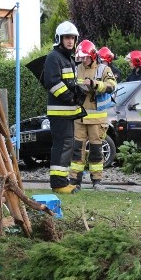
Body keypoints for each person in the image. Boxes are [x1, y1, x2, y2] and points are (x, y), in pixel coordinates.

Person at [43, 21, 85, 194]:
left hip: (67, 112)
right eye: (67, 37)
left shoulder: (68, 58)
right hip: (59, 112)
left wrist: (78, 91)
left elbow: (69, 82)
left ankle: (62, 181)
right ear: (59, 39)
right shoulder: (54, 57)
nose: (70, 41)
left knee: (67, 146)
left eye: (72, 38)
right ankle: (59, 184)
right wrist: (70, 96)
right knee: (62, 146)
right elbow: (52, 82)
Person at [70, 40, 118, 189]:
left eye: (86, 57)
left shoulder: (103, 69)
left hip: (97, 118)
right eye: (81, 58)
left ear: (92, 55)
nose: (83, 60)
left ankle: (97, 181)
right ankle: (74, 181)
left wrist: (95, 85)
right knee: (77, 149)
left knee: (96, 150)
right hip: (79, 117)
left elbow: (112, 86)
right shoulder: (77, 68)